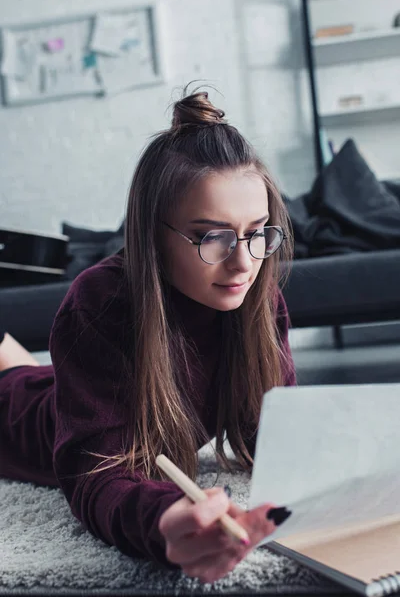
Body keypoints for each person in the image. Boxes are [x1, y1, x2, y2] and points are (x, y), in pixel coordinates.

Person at [0, 87, 296, 584]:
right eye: (211, 237)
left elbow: (278, 436)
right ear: (153, 236)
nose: (244, 261)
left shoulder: (257, 298)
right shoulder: (102, 301)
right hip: (17, 416)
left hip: (57, 384)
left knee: (23, 369)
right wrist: (160, 521)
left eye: (257, 231)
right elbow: (97, 477)